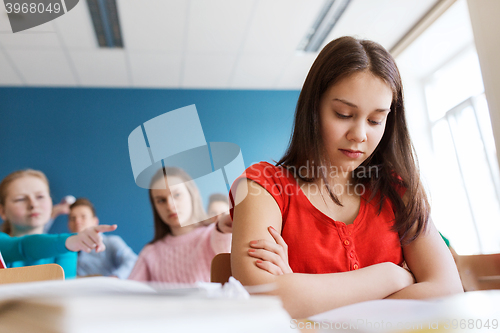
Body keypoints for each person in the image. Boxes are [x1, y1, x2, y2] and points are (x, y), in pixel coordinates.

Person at [229, 36, 463, 319]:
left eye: (376, 120)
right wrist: (391, 277)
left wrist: (302, 294)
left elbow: (448, 291)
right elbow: (260, 297)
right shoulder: (262, 186)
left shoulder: (396, 189)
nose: (360, 135)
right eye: (343, 114)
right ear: (312, 108)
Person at [0, 169, 116, 278]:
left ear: (50, 202)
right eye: (20, 199)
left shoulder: (67, 251)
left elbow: (64, 293)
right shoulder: (67, 244)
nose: (33, 204)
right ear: (3, 211)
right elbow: (23, 246)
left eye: (40, 197)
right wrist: (70, 241)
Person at [128, 167, 232, 283]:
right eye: (161, 200)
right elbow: (127, 294)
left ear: (193, 193)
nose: (170, 206)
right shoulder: (150, 253)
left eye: (177, 195)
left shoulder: (213, 234)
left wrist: (223, 229)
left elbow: (226, 251)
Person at [68, 198, 138, 279]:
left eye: (83, 217)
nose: (77, 221)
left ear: (95, 221)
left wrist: (114, 278)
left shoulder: (111, 242)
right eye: (73, 218)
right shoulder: (67, 249)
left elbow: (132, 261)